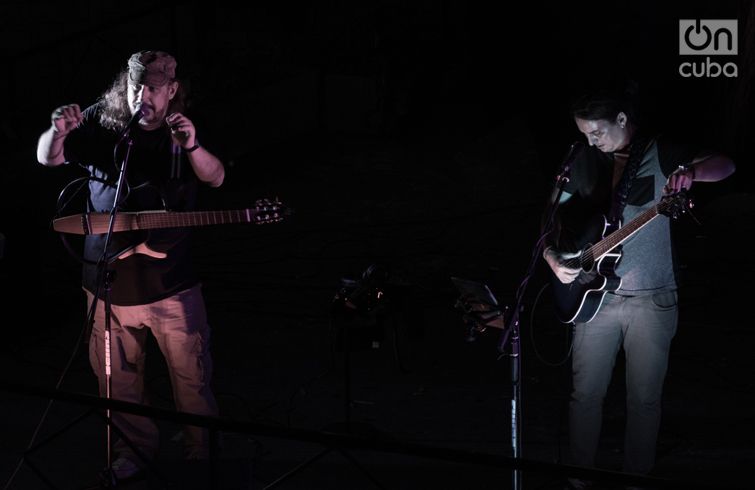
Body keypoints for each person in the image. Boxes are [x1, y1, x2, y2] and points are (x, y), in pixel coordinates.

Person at [36, 50, 225, 481]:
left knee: (190, 379)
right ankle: (133, 451)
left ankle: (201, 453)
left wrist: (192, 146)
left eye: (154, 88)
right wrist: (56, 131)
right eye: (137, 86)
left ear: (172, 90)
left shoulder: (183, 131)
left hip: (171, 285)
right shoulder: (105, 127)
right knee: (117, 382)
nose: (144, 96)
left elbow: (215, 177)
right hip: (106, 284)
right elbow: (48, 158)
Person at [541, 84, 735, 488]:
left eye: (596, 132)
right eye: (584, 134)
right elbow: (550, 222)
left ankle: (637, 478)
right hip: (593, 299)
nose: (590, 141)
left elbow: (726, 165)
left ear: (622, 120)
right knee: (584, 396)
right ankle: (578, 478)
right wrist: (553, 260)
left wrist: (692, 173)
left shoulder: (659, 151)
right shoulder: (583, 159)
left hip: (652, 298)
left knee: (644, 399)